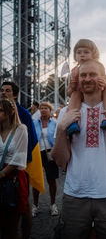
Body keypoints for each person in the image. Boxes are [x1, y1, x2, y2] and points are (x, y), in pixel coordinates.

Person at [52, 59, 106, 239]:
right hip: (74, 195)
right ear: (78, 79)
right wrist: (61, 130)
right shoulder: (66, 113)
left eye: (93, 74)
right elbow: (60, 161)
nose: (87, 78)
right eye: (83, 75)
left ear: (103, 79)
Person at [0, 81, 44, 239]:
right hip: (3, 167)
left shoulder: (23, 114)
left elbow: (29, 141)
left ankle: (25, 234)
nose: (4, 93)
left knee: (22, 207)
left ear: (15, 94)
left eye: (8, 90)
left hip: (19, 168)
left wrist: (21, 166)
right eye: (2, 90)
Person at [66, 39, 106, 135]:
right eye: (79, 52)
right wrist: (72, 87)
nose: (82, 55)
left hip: (98, 98)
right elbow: (69, 93)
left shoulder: (98, 68)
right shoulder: (74, 71)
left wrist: (105, 84)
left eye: (86, 52)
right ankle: (73, 122)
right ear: (75, 56)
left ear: (94, 54)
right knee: (76, 94)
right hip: (82, 98)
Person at [0, 98, 28, 239]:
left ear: (9, 112)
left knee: (11, 225)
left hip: (12, 178)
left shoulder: (20, 129)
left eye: (0, 110)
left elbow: (19, 157)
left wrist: (2, 174)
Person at [32, 101, 59, 217]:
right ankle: (35, 205)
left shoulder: (55, 123)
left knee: (51, 180)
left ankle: (53, 205)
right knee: (36, 179)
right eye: (41, 108)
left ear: (50, 111)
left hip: (50, 153)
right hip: (37, 153)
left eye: (45, 108)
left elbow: (58, 138)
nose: (43, 110)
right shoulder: (34, 123)